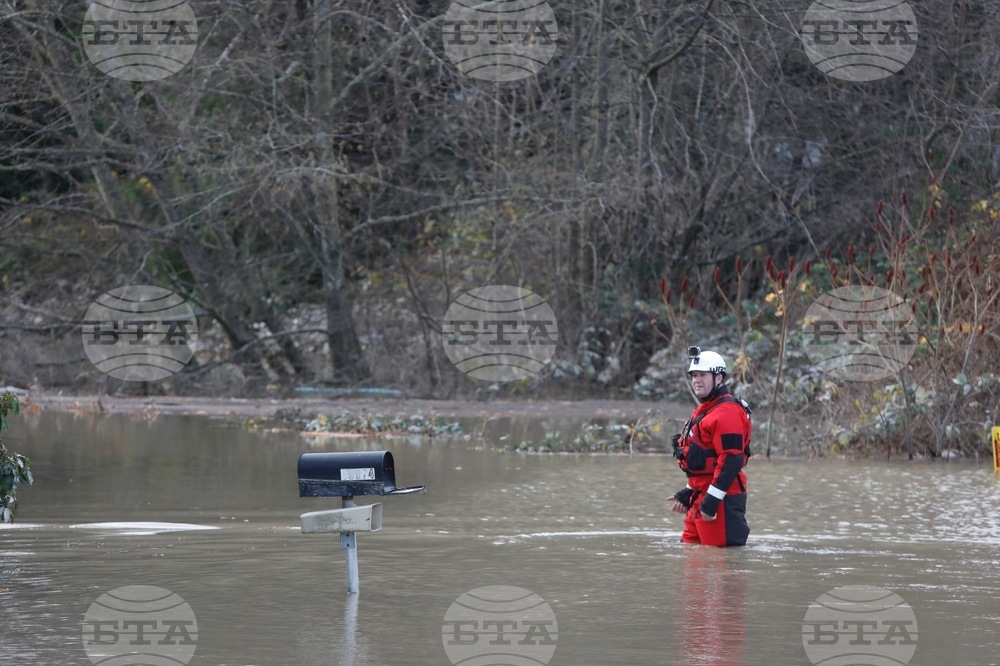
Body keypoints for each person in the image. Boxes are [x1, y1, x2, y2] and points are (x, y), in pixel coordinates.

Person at [669, 347, 751, 547]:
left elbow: (731, 459)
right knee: (690, 561)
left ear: (719, 378)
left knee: (721, 567)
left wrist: (712, 501)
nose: (697, 379)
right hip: (700, 497)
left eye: (703, 375)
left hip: (720, 501)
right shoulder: (704, 410)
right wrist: (689, 490)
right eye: (694, 375)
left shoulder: (727, 412)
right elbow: (703, 458)